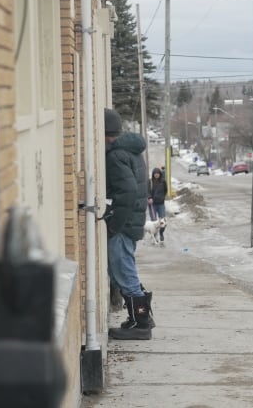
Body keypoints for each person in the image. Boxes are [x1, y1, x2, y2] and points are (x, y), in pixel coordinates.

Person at [103, 108, 153, 340]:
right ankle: (139, 318)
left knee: (124, 272)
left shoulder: (115, 155)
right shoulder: (131, 152)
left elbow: (129, 190)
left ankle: (141, 323)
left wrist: (114, 224)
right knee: (125, 270)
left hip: (124, 224)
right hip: (132, 221)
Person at [148, 167, 168, 246]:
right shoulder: (150, 182)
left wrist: (162, 197)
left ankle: (161, 233)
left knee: (163, 220)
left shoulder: (163, 182)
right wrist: (149, 198)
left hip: (160, 204)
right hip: (152, 204)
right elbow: (147, 191)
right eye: (155, 174)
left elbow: (165, 190)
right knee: (154, 221)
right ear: (153, 174)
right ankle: (154, 236)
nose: (156, 175)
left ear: (160, 174)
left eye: (158, 174)